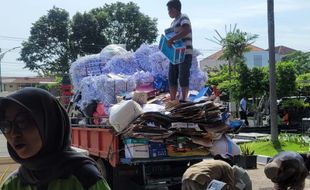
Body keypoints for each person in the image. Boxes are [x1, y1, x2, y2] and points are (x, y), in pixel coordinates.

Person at [0, 87, 111, 190]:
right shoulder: (12, 184)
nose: (14, 133)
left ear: (50, 124)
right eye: (5, 125)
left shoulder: (85, 179)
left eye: (22, 122)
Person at [166, 0, 193, 101]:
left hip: (185, 53)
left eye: (169, 10)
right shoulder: (173, 23)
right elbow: (172, 37)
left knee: (183, 77)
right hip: (175, 55)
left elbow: (186, 30)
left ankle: (184, 100)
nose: (168, 13)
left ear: (174, 9)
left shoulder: (183, 17)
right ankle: (173, 101)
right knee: (172, 78)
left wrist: (172, 39)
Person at [182, 154, 252, 190]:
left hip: (186, 176)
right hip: (201, 178)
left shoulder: (213, 163)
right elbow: (229, 185)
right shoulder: (227, 166)